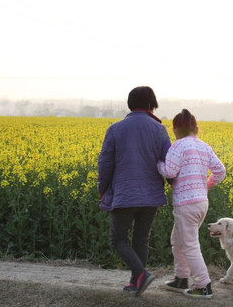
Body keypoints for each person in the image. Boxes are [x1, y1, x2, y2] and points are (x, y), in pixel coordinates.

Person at [97, 86, 171, 297]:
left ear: (130, 103)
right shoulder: (159, 130)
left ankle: (141, 275)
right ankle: (136, 282)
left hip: (125, 193)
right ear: (151, 104)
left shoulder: (115, 129)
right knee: (141, 240)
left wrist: (102, 189)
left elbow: (105, 163)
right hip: (151, 196)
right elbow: (169, 162)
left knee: (118, 239)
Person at [157, 109, 226, 299]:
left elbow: (169, 172)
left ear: (175, 129)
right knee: (178, 240)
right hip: (201, 202)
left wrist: (158, 164)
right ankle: (181, 279)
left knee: (188, 244)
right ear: (195, 128)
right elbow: (220, 171)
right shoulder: (204, 146)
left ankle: (203, 285)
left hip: (186, 204)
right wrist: (206, 185)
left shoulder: (178, 146)